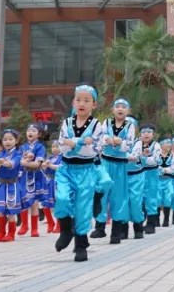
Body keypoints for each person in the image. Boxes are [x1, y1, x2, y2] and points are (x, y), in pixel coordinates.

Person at [53, 84, 104, 262]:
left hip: (86, 170)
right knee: (62, 198)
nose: (81, 103)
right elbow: (61, 147)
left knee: (83, 208)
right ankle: (66, 230)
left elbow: (95, 150)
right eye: (78, 99)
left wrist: (74, 143)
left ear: (94, 105)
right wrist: (81, 142)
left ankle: (81, 245)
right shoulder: (66, 123)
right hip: (66, 169)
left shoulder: (98, 125)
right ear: (73, 102)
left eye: (86, 100)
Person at [94, 99, 136, 243]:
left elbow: (128, 145)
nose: (120, 109)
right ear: (112, 110)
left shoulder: (130, 126)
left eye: (124, 107)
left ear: (128, 111)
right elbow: (101, 138)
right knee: (102, 193)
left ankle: (116, 232)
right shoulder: (106, 122)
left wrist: (118, 143)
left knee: (119, 197)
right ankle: (100, 228)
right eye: (117, 106)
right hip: (106, 163)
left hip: (120, 165)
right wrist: (113, 140)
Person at [0, 129, 23, 243]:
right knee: (0, 210)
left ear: (16, 140)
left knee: (10, 211)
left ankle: (11, 233)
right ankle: (1, 231)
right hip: (1, 184)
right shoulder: (1, 153)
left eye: (10, 139)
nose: (7, 142)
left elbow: (11, 164)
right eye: (5, 139)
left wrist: (1, 162)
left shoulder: (18, 154)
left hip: (12, 185)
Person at [134, 124, 162, 235]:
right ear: (140, 134)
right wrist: (143, 157)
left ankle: (151, 224)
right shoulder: (137, 144)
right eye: (144, 132)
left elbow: (155, 160)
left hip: (151, 174)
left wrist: (143, 158)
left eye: (149, 132)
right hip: (139, 173)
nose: (146, 134)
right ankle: (139, 221)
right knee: (139, 198)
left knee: (151, 198)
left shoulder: (156, 145)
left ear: (153, 134)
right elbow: (134, 157)